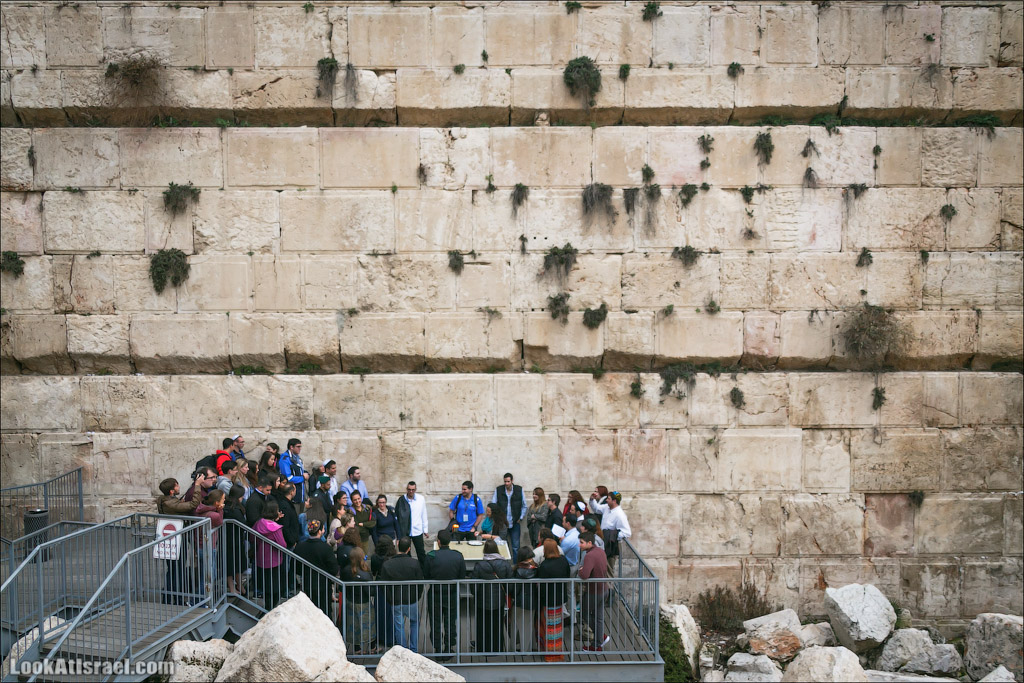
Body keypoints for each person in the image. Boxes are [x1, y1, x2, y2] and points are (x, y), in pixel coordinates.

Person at [156, 475, 203, 605]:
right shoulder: (170, 503)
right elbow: (193, 504)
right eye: (177, 486)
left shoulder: (164, 499)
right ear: (171, 491)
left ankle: (169, 597)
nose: (179, 487)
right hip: (176, 538)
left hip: (170, 537)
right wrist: (197, 485)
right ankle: (176, 598)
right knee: (177, 569)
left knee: (173, 569)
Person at [424, 529, 465, 660]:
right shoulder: (458, 556)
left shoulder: (431, 556)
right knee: (450, 621)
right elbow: (462, 576)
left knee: (435, 621)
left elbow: (426, 575)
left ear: (439, 542)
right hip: (452, 592)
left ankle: (437, 648)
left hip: (435, 593)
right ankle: (449, 647)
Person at [380, 537, 425, 653]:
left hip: (396, 600)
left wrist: (390, 599)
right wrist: (417, 596)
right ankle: (413, 649)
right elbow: (420, 583)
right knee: (414, 622)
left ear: (398, 545)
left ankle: (402, 651)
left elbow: (384, 585)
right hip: (411, 599)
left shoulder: (388, 564)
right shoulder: (414, 563)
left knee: (398, 626)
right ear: (409, 549)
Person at [472, 539, 513, 653]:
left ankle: (482, 648)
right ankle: (497, 648)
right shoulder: (504, 564)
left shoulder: (480, 565)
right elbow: (509, 583)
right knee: (497, 624)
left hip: (482, 600)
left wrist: (475, 594)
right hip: (498, 599)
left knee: (482, 625)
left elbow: (474, 585)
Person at [294, 520, 339, 618]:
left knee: (308, 612)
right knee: (325, 612)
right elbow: (334, 568)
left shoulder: (300, 547)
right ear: (320, 531)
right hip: (323, 584)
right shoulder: (326, 548)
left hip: (306, 584)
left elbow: (296, 567)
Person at [535, 538, 571, 661]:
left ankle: (550, 654)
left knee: (549, 627)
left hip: (548, 600)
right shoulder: (563, 560)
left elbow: (542, 585)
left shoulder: (545, 565)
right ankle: (557, 652)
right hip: (560, 598)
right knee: (557, 627)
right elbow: (567, 575)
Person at [588, 490, 631, 576]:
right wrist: (592, 499)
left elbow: (627, 532)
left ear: (614, 501)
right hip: (603, 541)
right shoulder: (606, 508)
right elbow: (596, 508)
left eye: (609, 498)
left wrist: (612, 535)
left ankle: (610, 588)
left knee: (609, 568)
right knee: (602, 567)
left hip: (611, 545)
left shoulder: (620, 515)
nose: (606, 500)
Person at [579, 532, 609, 651]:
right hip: (603, 589)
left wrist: (580, 571)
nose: (579, 545)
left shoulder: (589, 556)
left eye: (581, 542)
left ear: (589, 543)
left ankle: (599, 640)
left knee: (584, 613)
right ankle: (598, 642)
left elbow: (584, 574)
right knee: (599, 617)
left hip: (594, 591)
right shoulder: (600, 551)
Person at [253, 499, 286, 610]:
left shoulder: (259, 523)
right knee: (275, 586)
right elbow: (283, 544)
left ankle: (267, 607)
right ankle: (271, 607)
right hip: (274, 560)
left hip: (261, 558)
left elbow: (252, 537)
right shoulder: (275, 528)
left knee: (266, 585)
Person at [395, 481, 430, 574]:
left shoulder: (421, 499)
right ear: (407, 489)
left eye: (413, 490)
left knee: (421, 552)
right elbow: (397, 517)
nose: (411, 491)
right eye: (409, 489)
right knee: (406, 553)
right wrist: (398, 534)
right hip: (405, 531)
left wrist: (425, 529)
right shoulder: (402, 500)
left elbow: (424, 514)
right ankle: (408, 572)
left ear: (415, 490)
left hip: (417, 530)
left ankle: (424, 572)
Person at [344, 546, 374, 654]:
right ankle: (372, 647)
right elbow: (371, 591)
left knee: (353, 625)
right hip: (364, 602)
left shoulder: (346, 571)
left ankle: (357, 649)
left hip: (350, 601)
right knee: (369, 625)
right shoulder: (365, 573)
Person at [491, 473, 527, 561]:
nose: (506, 483)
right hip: (502, 523)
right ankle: (502, 565)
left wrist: (520, 517)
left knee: (516, 546)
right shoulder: (499, 490)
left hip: (515, 522)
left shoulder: (519, 490)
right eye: (505, 481)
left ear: (512, 481)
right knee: (500, 545)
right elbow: (493, 505)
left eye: (508, 481)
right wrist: (498, 518)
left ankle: (515, 566)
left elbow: (524, 505)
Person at [371, 535, 397, 652]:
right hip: (391, 586)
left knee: (379, 611)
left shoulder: (375, 557)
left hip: (379, 585)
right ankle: (390, 637)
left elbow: (374, 571)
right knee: (391, 612)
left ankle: (379, 636)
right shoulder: (393, 557)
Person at [222, 484, 248, 596]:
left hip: (232, 539)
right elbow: (243, 523)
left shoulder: (228, 507)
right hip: (233, 540)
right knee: (232, 564)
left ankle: (238, 586)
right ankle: (234, 587)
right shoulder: (234, 509)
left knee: (236, 564)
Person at [511, 547, 538, 653]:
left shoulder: (516, 570)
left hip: (518, 601)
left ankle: (512, 648)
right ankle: (526, 650)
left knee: (515, 625)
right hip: (532, 601)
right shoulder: (536, 570)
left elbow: (515, 589)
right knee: (528, 626)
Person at [278, 439, 308, 510]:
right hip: (292, 495)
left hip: (301, 493)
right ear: (291, 447)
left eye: (300, 446)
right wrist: (303, 478)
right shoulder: (285, 459)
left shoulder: (297, 458)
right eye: (298, 446)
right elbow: (288, 478)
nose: (300, 449)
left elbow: (301, 470)